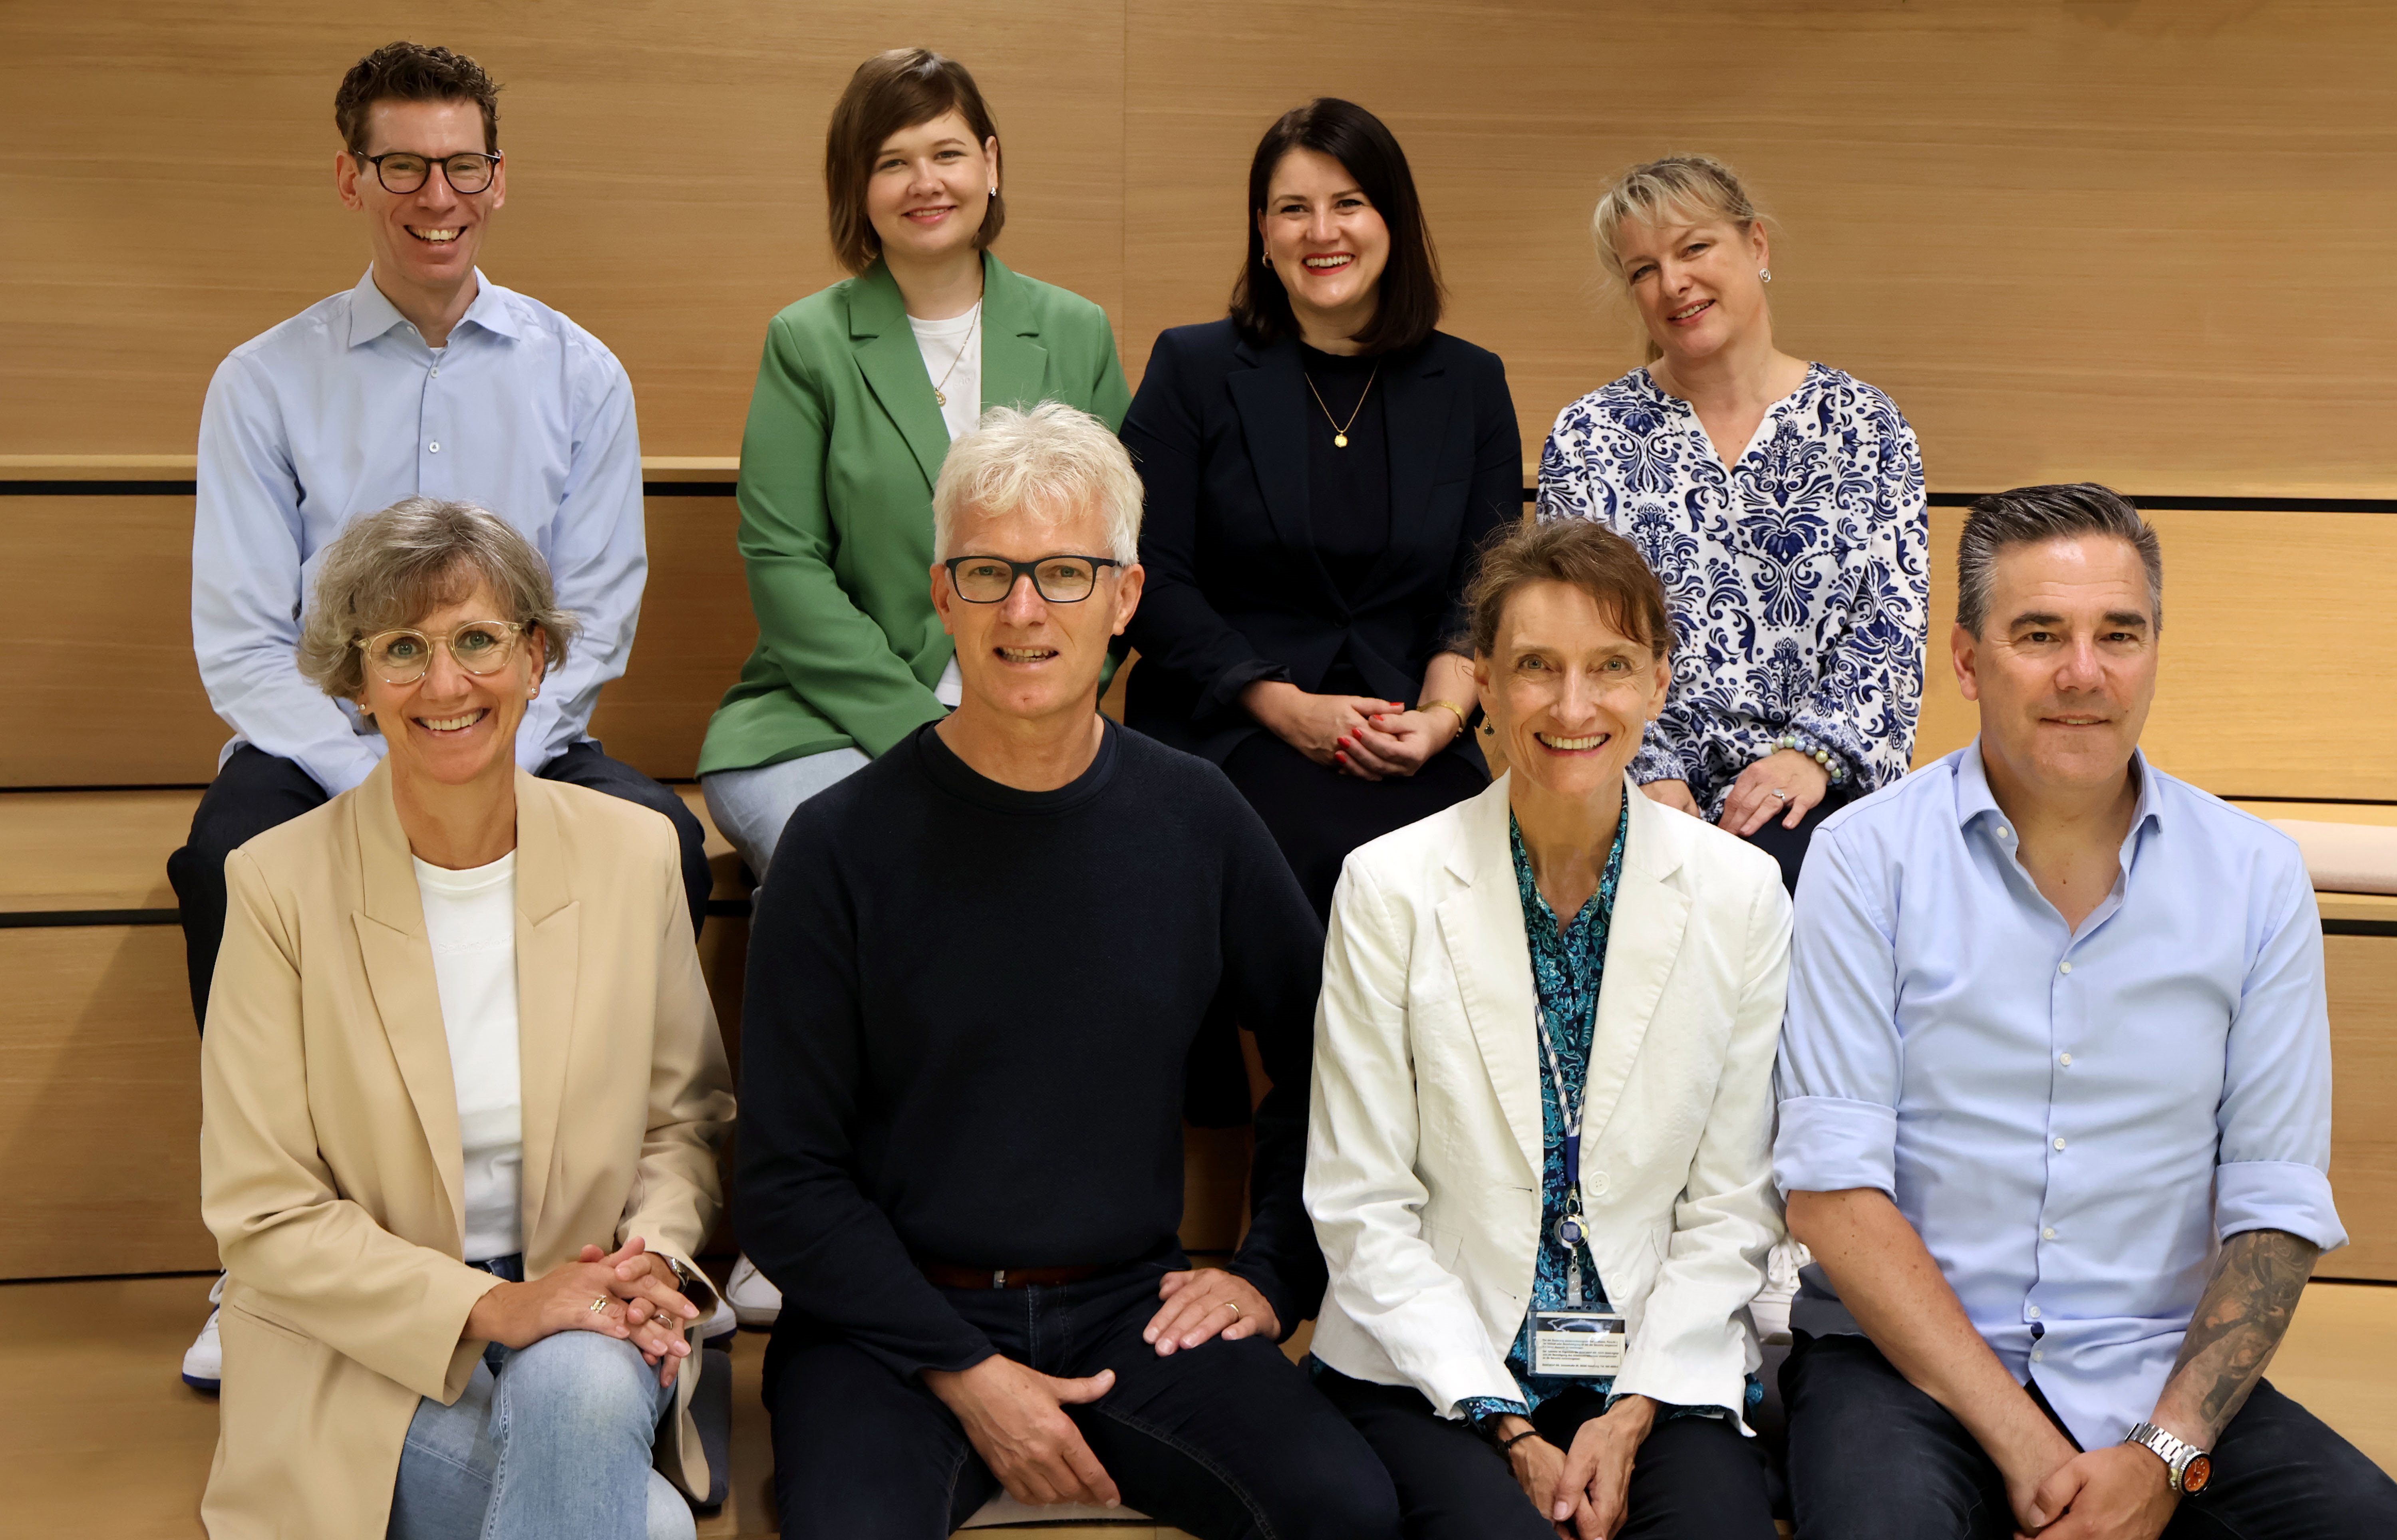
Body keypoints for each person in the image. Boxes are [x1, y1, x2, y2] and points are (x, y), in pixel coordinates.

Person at [735, 403, 1401, 1540]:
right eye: (989, 573)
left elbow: (1331, 1060)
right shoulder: (839, 844)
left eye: (1065, 572)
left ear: (1127, 599)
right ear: (943, 595)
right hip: (889, 1327)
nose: (1025, 610)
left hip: (1130, 1314)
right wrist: (965, 1371)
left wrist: (1272, 1273)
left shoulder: (1197, 818)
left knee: (1348, 1511)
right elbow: (784, 1179)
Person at [173, 38, 713, 1393]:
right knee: (221, 863)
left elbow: (593, 616)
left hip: (521, 722)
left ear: (498, 177)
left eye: (461, 163)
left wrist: (487, 748)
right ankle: (269, 1259)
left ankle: (656, 1234)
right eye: (403, 164)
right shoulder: (263, 379)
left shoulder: (581, 374)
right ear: (352, 176)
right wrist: (385, 764)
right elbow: (241, 639)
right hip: (328, 745)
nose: (436, 193)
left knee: (664, 836)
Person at [1773, 483, 2397, 1539]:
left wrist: (2163, 1458)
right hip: (1904, 1373)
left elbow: (2275, 1208)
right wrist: (2033, 1451)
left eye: (2119, 634)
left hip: (2159, 1376)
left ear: (2154, 651)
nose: (2083, 673)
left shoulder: (2255, 879)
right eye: (2038, 635)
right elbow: (1834, 1197)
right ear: (1967, 661)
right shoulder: (1864, 859)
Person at [197, 498, 735, 1540]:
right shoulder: (275, 885)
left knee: (580, 1393)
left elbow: (686, 1122)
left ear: (536, 658)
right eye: (404, 649)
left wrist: (655, 1259)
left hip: (587, 1297)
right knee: (654, 1531)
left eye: (478, 641)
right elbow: (263, 1212)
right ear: (356, 681)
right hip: (355, 1350)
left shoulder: (632, 855)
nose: (446, 685)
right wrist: (493, 1309)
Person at [697, 52, 1128, 1326]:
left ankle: (1014, 1212)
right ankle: (796, 1216)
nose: (923, 180)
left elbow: (1107, 542)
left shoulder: (1079, 330)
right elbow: (781, 559)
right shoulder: (810, 341)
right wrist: (926, 732)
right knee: (837, 857)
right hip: (824, 718)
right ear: (859, 189)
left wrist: (1023, 715)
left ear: (992, 166)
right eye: (892, 160)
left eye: (947, 151)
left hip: (1041, 711)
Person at [1307, 517, 1789, 1540]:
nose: (1574, 706)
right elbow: (1361, 1204)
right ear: (1483, 680)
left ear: (1660, 682)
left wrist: (1632, 1409)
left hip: (1659, 1360)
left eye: (1611, 666)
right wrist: (1512, 1427)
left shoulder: (1741, 893)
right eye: (1536, 666)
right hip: (1430, 1365)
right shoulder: (1386, 885)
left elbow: (1735, 1204)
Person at [1120, 97, 1520, 923]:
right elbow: (1148, 578)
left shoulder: (1471, 385)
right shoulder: (1192, 367)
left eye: (1348, 204)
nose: (1321, 231)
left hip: (1409, 728)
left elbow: (1486, 592)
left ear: (1393, 221)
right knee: (1326, 874)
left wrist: (1442, 720)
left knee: (1472, 884)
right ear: (1263, 234)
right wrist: (1284, 705)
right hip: (1228, 724)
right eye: (1293, 210)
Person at [1537, 154, 1926, 893]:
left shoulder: (1868, 426)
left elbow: (1889, 630)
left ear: (1757, 246)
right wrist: (1647, 773)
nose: (1673, 283)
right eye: (1643, 270)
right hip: (1626, 776)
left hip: (1814, 794)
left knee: (1792, 888)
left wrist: (1810, 759)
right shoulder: (1591, 434)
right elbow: (1569, 632)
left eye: (1694, 249)